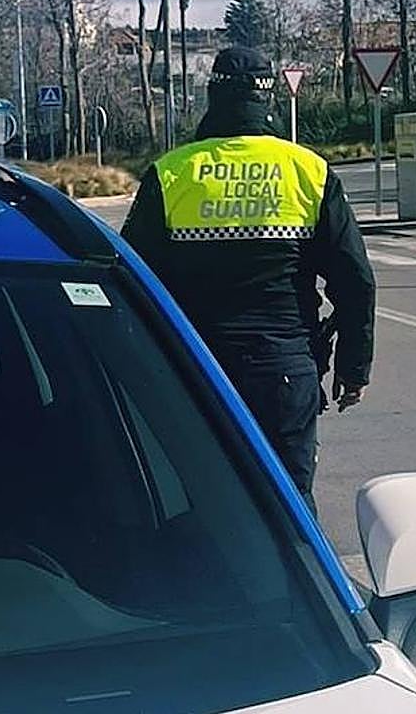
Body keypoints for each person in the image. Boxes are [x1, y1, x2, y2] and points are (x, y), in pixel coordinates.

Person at [121, 46, 376, 510]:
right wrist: (353, 369)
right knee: (289, 508)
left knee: (206, 504)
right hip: (283, 369)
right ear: (268, 100)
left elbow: (131, 280)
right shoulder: (308, 171)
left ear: (212, 98)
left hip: (194, 368)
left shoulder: (173, 173)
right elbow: (354, 279)